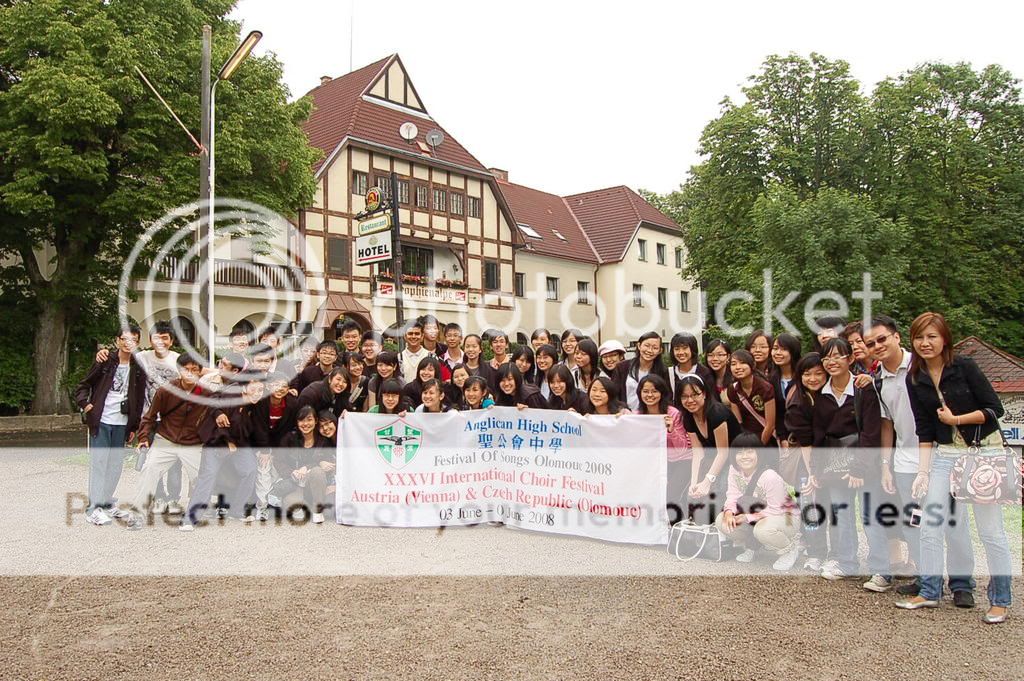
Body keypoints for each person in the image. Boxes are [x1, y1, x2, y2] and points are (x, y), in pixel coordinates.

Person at [897, 312, 1011, 624]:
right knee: (931, 525)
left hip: (983, 453)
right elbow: (924, 429)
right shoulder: (915, 377)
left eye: (932, 336)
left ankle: (1000, 600)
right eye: (919, 337)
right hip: (945, 454)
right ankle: (930, 591)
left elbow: (994, 409)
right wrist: (922, 471)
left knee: (991, 531)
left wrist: (956, 420)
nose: (925, 343)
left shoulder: (964, 367)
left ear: (944, 338)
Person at [865, 314, 972, 600]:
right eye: (871, 343)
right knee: (915, 521)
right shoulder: (878, 380)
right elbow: (887, 424)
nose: (878, 345)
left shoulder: (924, 366)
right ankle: (928, 579)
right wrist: (886, 465)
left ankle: (962, 584)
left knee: (954, 521)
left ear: (897, 337)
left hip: (943, 455)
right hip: (905, 461)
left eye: (882, 339)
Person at [807, 337, 887, 583]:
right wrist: (818, 470)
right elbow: (820, 435)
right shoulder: (822, 394)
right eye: (827, 358)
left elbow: (871, 432)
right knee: (842, 514)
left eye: (837, 356)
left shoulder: (864, 389)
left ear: (851, 359)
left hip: (865, 462)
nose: (831, 362)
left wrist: (860, 468)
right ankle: (847, 562)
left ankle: (881, 569)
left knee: (871, 516)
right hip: (835, 463)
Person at [127, 353, 210, 530]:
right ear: (179, 370)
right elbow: (149, 417)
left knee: (200, 478)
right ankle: (137, 514)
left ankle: (194, 512)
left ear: (200, 372)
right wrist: (143, 439)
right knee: (149, 470)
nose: (190, 373)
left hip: (193, 442)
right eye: (186, 369)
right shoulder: (166, 390)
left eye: (194, 370)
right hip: (166, 439)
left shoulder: (207, 394)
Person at [75, 325, 147, 525]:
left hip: (122, 423)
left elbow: (139, 398)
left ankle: (106, 503)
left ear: (137, 342)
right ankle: (93, 509)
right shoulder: (105, 360)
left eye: (132, 339)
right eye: (124, 339)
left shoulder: (139, 366)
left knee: (115, 466)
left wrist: (134, 426)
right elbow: (83, 386)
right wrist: (87, 406)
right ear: (117, 341)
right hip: (102, 420)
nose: (127, 343)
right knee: (99, 464)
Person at [185, 377, 266, 529]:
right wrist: (227, 440)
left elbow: (256, 429)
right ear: (243, 388)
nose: (257, 393)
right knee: (208, 475)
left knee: (250, 470)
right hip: (217, 441)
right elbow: (213, 406)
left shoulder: (255, 405)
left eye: (260, 390)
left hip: (239, 444)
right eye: (253, 389)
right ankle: (191, 517)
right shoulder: (231, 396)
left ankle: (236, 509)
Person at [715, 433, 801, 570]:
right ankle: (752, 546)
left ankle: (790, 549)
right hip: (758, 512)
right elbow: (733, 496)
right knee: (722, 520)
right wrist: (729, 512)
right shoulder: (734, 470)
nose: (744, 457)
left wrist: (747, 517)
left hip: (785, 517)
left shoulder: (770, 476)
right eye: (740, 452)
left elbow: (775, 509)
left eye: (750, 451)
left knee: (762, 530)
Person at [784, 352, 828, 571]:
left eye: (819, 373)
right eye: (807, 374)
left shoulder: (829, 394)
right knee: (810, 504)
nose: (813, 378)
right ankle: (816, 551)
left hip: (832, 459)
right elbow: (805, 442)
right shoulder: (798, 402)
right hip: (807, 459)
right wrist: (812, 472)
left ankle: (834, 552)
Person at [678, 375, 742, 524]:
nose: (690, 400)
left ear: (704, 393)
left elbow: (723, 452)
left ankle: (718, 536)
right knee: (689, 494)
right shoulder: (687, 417)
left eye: (695, 395)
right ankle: (694, 535)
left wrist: (707, 481)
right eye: (685, 397)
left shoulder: (716, 413)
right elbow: (698, 452)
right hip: (712, 459)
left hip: (735, 459)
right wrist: (694, 482)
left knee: (716, 492)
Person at [635, 374, 692, 525]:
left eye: (654, 391)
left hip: (681, 461)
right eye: (645, 391)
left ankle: (679, 530)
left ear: (662, 393)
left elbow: (682, 449)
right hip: (657, 463)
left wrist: (671, 430)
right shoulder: (638, 415)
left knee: (671, 494)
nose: (650, 395)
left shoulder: (673, 413)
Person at [273, 406, 332, 524]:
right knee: (292, 505)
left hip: (314, 485)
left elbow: (327, 461)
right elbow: (278, 460)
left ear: (315, 421)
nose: (305, 424)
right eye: (301, 420)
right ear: (297, 422)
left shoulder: (323, 440)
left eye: (309, 419)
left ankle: (317, 510)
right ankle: (306, 505)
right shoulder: (289, 438)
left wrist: (308, 467)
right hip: (295, 484)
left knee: (317, 471)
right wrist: (291, 472)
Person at [251, 371, 297, 521]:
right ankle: (262, 506)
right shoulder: (262, 402)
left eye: (284, 385)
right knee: (263, 470)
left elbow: (290, 428)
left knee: (277, 473)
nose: (279, 389)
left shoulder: (291, 403)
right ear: (268, 386)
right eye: (275, 384)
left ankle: (274, 502)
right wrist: (265, 451)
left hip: (281, 444)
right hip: (261, 443)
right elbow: (259, 428)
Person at [727, 350, 776, 447]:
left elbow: (770, 425)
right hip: (747, 440)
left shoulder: (765, 388)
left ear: (752, 365)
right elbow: (738, 422)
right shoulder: (733, 389)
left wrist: (759, 448)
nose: (738, 367)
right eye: (733, 364)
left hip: (767, 440)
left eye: (742, 363)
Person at [612, 332, 669, 413]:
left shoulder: (663, 371)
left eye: (655, 348)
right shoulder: (622, 368)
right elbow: (613, 394)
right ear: (639, 346)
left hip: (650, 416)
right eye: (647, 346)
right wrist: (622, 408)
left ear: (660, 351)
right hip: (625, 416)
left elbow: (666, 397)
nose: (650, 350)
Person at [769, 333, 801, 452]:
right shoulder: (771, 380)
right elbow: (777, 413)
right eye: (775, 349)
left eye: (783, 349)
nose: (777, 353)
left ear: (793, 351)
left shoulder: (804, 377)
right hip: (785, 438)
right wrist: (782, 438)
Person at [667, 332, 716, 407]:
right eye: (677, 349)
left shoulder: (705, 373)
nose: (681, 352)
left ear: (692, 349)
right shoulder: (668, 374)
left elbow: (711, 400)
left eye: (685, 348)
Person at [702, 339, 732, 404]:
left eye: (720, 355)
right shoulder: (704, 378)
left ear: (728, 357)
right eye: (710, 355)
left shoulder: (735, 378)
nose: (715, 359)